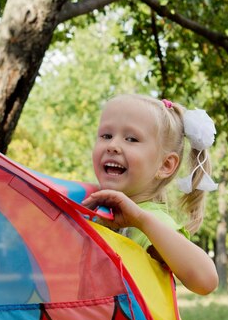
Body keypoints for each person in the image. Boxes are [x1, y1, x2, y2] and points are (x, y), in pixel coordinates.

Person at [82, 94, 219, 295]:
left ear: (165, 165)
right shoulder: (94, 206)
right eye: (106, 136)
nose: (113, 145)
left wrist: (140, 220)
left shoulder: (151, 220)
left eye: (131, 139)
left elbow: (206, 281)